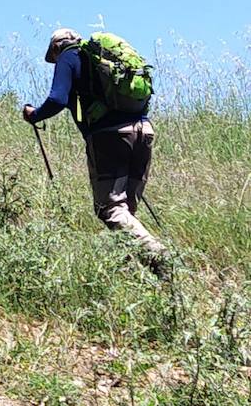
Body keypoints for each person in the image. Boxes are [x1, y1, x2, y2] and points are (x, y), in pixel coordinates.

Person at [23, 28, 169, 268]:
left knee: (111, 209)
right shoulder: (103, 60)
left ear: (57, 47)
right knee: (126, 212)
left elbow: (57, 99)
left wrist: (35, 115)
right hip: (143, 131)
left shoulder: (69, 56)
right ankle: (137, 273)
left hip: (109, 136)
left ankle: (160, 257)